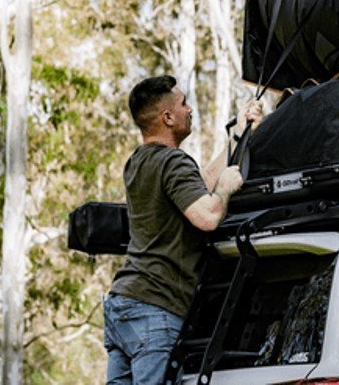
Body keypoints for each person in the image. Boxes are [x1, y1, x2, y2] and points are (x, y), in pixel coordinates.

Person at [103, 75, 262, 384]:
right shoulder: (173, 162)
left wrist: (238, 134)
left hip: (123, 304)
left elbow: (197, 186)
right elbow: (208, 216)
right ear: (167, 117)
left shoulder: (139, 161)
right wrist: (226, 189)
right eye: (184, 103)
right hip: (156, 308)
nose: (190, 110)